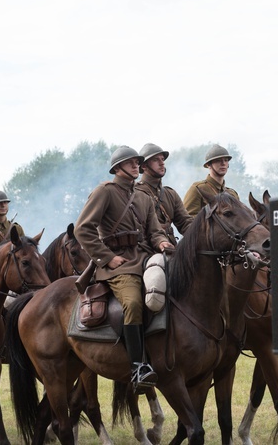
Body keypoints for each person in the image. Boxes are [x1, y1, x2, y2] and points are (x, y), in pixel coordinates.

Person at [75, 145, 174, 393]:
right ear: (117, 167)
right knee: (133, 302)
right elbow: (83, 229)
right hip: (118, 264)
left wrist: (162, 242)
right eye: (130, 162)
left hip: (145, 258)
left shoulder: (143, 197)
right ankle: (138, 366)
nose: (136, 165)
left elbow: (154, 230)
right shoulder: (104, 192)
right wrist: (107, 258)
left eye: (137, 162)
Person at [135, 143, 193, 245]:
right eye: (156, 160)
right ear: (144, 166)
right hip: (145, 249)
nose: (162, 163)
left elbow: (185, 223)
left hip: (170, 248)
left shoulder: (170, 194)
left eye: (162, 159)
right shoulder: (135, 193)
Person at [183, 144, 240, 217]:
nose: (223, 163)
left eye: (226, 160)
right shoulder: (198, 189)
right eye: (218, 160)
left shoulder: (232, 194)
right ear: (208, 165)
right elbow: (187, 220)